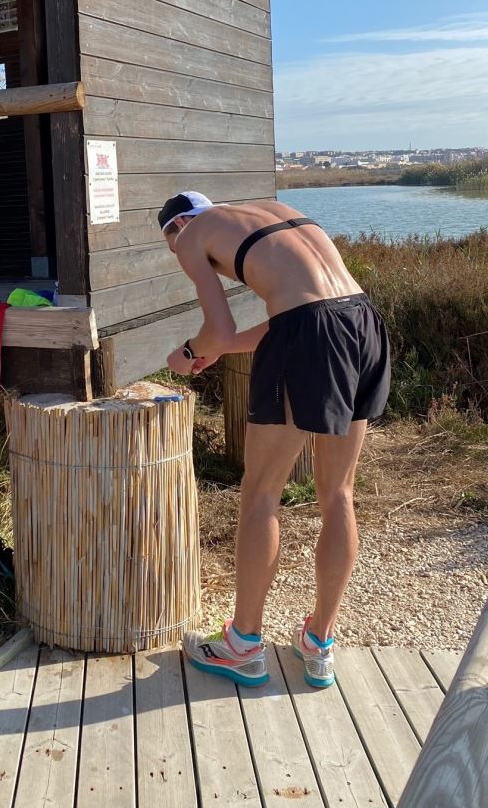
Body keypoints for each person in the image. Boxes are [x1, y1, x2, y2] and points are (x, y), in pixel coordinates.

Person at [160, 191, 390, 689]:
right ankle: (319, 643)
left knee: (261, 493)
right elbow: (301, 313)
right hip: (362, 321)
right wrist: (217, 351)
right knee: (338, 494)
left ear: (177, 225)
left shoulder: (188, 237)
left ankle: (242, 646)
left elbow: (219, 328)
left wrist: (187, 352)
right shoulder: (270, 210)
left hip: (311, 331)